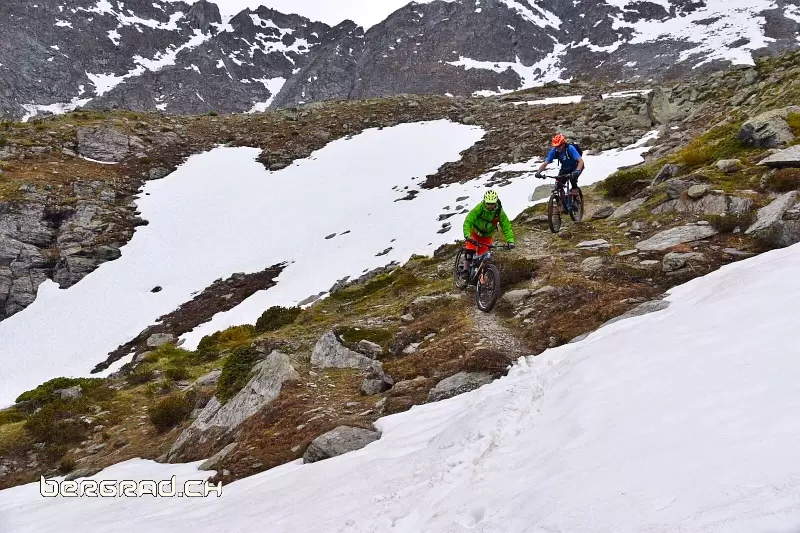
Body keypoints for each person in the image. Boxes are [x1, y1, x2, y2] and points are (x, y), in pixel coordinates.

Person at [460, 190, 515, 280]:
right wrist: (467, 235)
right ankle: (465, 270)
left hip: (486, 236)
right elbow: (468, 221)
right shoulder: (479, 208)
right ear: (485, 201)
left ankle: (479, 279)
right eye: (488, 203)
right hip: (474, 233)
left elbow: (506, 226)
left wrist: (510, 241)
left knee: (485, 258)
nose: (490, 206)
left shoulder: (499, 212)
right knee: (470, 249)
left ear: (496, 202)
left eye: (492, 203)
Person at [535, 134, 584, 210]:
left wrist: (577, 171)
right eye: (556, 146)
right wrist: (538, 172)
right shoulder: (554, 151)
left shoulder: (570, 148)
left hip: (576, 166)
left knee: (573, 179)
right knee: (558, 184)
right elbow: (545, 163)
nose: (557, 148)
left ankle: (575, 200)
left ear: (563, 144)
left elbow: (581, 161)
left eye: (559, 146)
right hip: (565, 168)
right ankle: (563, 203)